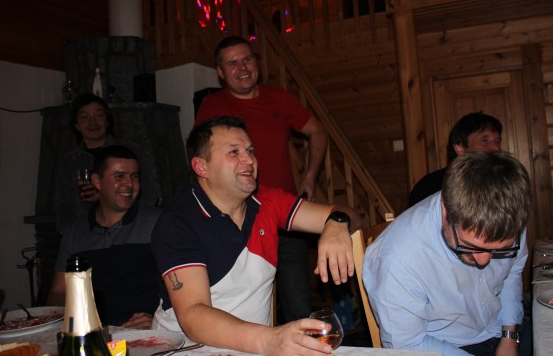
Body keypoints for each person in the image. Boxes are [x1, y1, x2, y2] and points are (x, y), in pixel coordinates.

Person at [151, 116, 359, 355]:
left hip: (254, 349)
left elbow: (351, 215)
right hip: (186, 349)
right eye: (234, 152)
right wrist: (271, 340)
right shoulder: (178, 222)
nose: (249, 159)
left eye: (250, 151)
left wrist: (337, 223)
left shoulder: (268, 201)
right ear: (201, 167)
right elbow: (193, 315)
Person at [194, 36, 328, 323]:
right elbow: (201, 158)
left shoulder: (280, 98)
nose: (242, 68)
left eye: (247, 59)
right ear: (220, 72)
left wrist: (310, 176)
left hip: (285, 217)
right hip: (237, 221)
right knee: (242, 310)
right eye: (232, 63)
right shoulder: (212, 105)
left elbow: (317, 131)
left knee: (298, 307)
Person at [364, 151, 531, 355]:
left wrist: (509, 335)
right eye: (470, 245)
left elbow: (512, 272)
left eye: (499, 249)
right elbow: (408, 345)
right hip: (444, 346)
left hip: (502, 326)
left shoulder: (509, 217)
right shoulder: (397, 259)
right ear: (445, 210)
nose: (483, 260)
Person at [47, 145, 162, 328]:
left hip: (143, 334)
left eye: (134, 176)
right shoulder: (75, 232)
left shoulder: (159, 223)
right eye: (119, 176)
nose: (129, 184)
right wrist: (73, 323)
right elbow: (59, 292)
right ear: (96, 181)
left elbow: (183, 285)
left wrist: (159, 320)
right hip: (92, 333)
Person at [54, 93, 158, 234]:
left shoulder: (128, 151)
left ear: (107, 120)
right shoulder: (71, 161)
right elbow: (63, 206)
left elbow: (150, 194)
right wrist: (71, 235)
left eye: (99, 115)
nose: (93, 122)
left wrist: (108, 198)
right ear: (77, 125)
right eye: (85, 118)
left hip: (127, 231)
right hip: (86, 235)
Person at [408, 112, 502, 207]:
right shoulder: (430, 186)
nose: (496, 148)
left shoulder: (504, 182)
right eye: (484, 140)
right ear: (459, 148)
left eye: (498, 141)